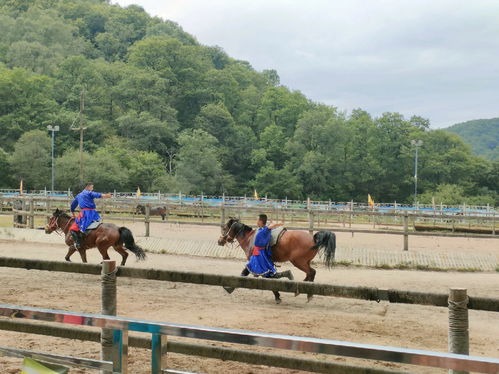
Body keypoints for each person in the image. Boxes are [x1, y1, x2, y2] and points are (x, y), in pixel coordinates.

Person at [69, 183, 112, 249]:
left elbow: (72, 206)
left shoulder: (78, 196)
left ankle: (78, 243)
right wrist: (106, 195)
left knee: (73, 229)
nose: (92, 189)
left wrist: (73, 213)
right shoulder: (89, 193)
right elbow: (98, 195)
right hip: (94, 214)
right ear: (88, 187)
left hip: (85, 214)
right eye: (92, 187)